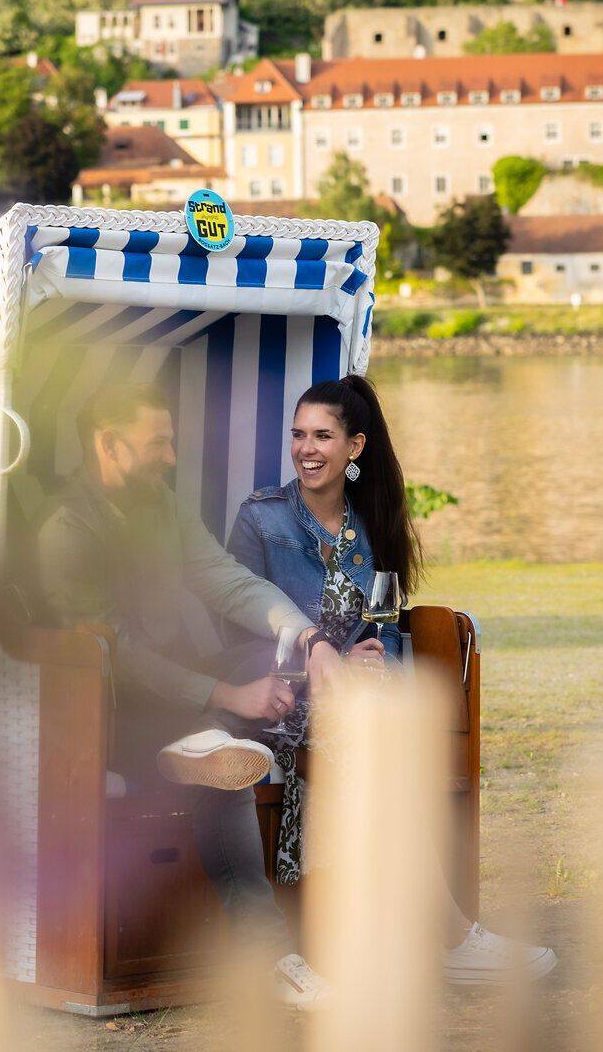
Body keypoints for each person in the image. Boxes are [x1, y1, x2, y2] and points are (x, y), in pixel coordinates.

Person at [228, 374, 557, 986]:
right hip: (275, 699)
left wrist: (377, 666)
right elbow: (238, 632)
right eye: (298, 435)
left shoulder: (370, 528)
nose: (306, 448)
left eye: (323, 436)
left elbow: (387, 637)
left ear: (355, 446)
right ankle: (450, 937)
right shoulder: (263, 519)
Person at [34, 383, 348, 1009]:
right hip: (112, 711)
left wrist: (308, 638)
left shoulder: (162, 506)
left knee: (278, 661)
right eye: (159, 443)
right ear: (108, 445)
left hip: (192, 691)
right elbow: (115, 655)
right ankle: (270, 953)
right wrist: (229, 691)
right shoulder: (67, 532)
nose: (172, 457)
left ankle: (215, 738)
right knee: (220, 767)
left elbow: (227, 581)